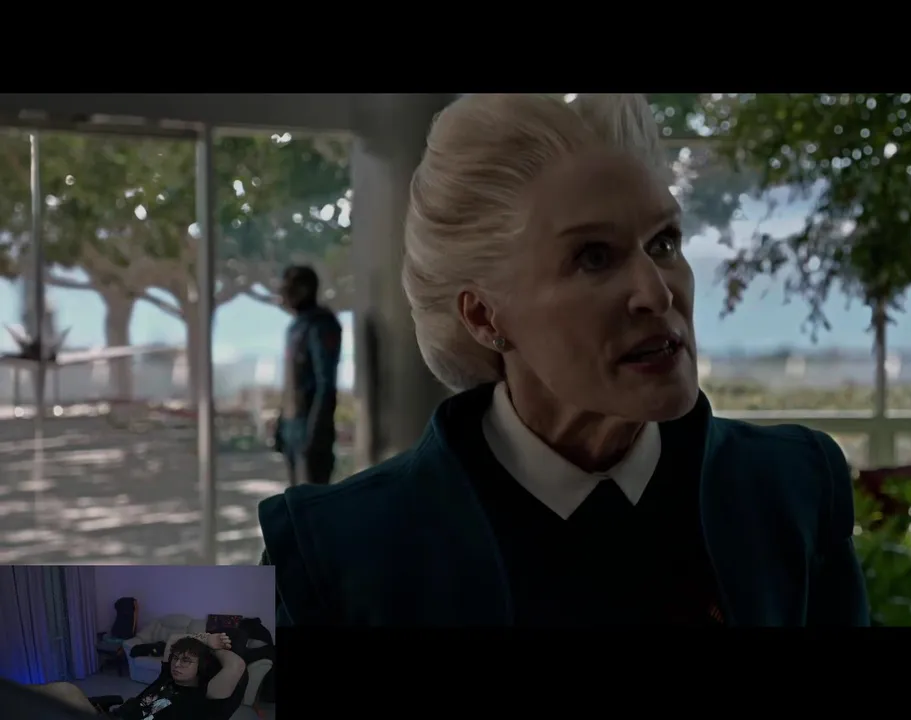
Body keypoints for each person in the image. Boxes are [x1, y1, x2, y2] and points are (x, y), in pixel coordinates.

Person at [259, 93, 870, 627]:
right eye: (594, 257)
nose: (657, 294)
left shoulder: (795, 485)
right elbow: (201, 693)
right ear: (483, 316)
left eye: (663, 243)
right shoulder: (316, 550)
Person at [21, 633, 245, 720]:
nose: (177, 664)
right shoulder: (167, 677)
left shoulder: (205, 696)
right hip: (114, 716)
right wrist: (205, 638)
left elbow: (236, 665)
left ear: (202, 666)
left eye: (186, 661)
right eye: (176, 658)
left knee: (63, 693)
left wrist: (211, 648)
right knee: (57, 694)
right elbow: (173, 639)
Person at [273, 264, 342, 486]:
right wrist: (281, 424)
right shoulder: (296, 327)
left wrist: (316, 434)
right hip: (292, 426)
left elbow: (326, 384)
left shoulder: (321, 325)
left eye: (287, 289)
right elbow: (291, 382)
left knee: (313, 497)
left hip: (309, 426)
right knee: (296, 496)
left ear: (303, 290)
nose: (282, 295)